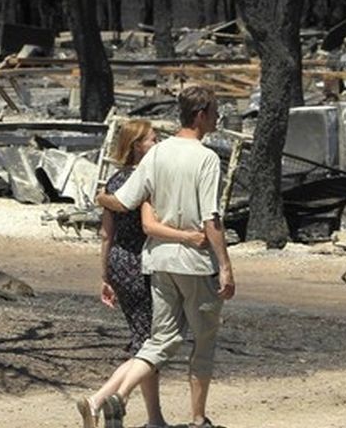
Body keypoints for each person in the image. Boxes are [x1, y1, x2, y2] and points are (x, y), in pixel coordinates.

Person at [85, 85, 236, 428]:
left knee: (161, 339)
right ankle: (198, 418)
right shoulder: (206, 157)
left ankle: (117, 398)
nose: (217, 118)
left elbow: (123, 201)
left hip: (158, 261)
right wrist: (225, 266)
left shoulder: (157, 154)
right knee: (204, 341)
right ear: (200, 115)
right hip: (194, 262)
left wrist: (101, 198)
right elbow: (211, 218)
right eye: (214, 113)